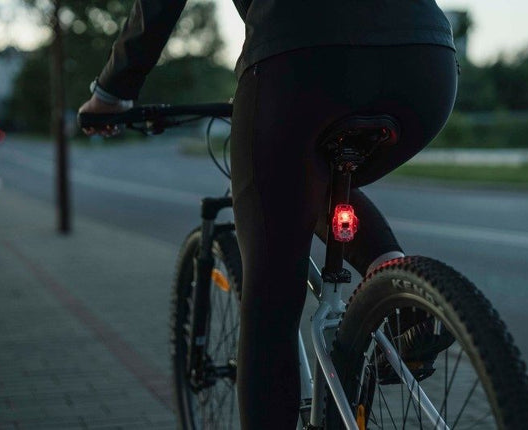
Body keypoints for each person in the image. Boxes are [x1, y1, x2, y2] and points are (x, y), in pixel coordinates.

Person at [79, 1, 458, 428]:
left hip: (300, 56)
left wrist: (111, 93)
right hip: (425, 62)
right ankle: (398, 281)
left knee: (271, 306)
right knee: (302, 182)